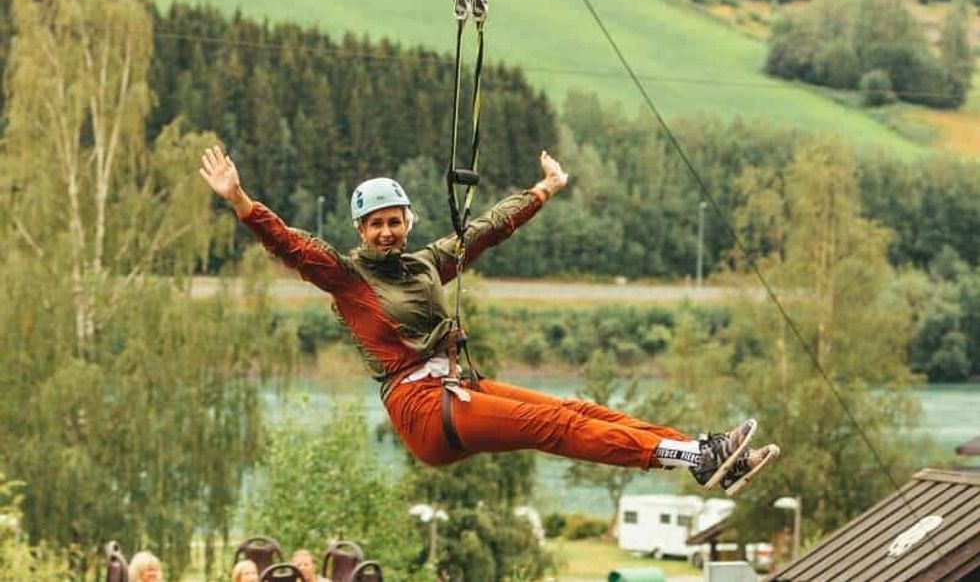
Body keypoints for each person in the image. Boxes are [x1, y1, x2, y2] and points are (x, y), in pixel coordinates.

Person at [198, 146, 779, 493]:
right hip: (424, 411)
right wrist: (241, 202)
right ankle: (696, 457)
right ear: (360, 231)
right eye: (375, 225)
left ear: (408, 221)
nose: (386, 232)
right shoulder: (347, 278)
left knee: (575, 410)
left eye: (394, 221)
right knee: (556, 428)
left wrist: (544, 190)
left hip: (457, 388)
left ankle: (703, 455)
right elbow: (292, 244)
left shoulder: (427, 263)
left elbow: (486, 230)